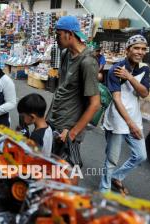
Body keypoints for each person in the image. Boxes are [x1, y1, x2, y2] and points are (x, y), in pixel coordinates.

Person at [99, 34, 150, 195]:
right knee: (112, 159)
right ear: (128, 50)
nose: (140, 52)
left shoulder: (144, 68)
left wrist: (129, 77)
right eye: (136, 48)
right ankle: (104, 190)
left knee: (141, 155)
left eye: (143, 49)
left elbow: (143, 93)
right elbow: (117, 99)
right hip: (118, 119)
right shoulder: (116, 69)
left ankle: (117, 176)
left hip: (134, 118)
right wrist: (130, 124)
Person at [47, 16, 100, 161]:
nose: (56, 39)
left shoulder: (87, 62)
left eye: (58, 35)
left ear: (69, 34)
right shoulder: (65, 54)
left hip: (67, 129)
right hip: (54, 121)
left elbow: (94, 104)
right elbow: (63, 88)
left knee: (65, 172)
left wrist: (72, 133)